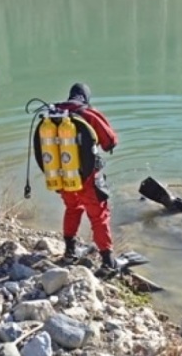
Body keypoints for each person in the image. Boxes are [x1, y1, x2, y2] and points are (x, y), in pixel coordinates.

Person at [53, 83, 119, 275]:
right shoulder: (88, 113)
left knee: (72, 208)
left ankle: (69, 252)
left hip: (63, 176)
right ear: (85, 98)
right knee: (99, 216)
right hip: (88, 177)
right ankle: (108, 262)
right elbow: (110, 141)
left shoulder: (54, 115)